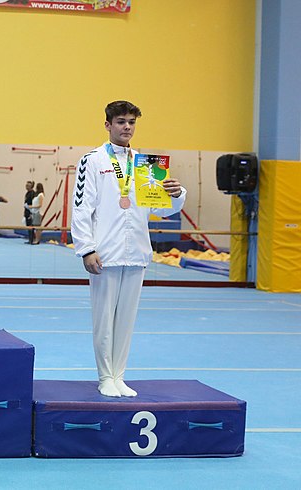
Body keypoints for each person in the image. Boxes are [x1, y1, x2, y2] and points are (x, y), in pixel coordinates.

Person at [71, 100, 186, 398]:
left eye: (131, 122)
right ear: (108, 124)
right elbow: (82, 209)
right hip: (104, 254)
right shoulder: (92, 161)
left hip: (136, 251)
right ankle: (104, 376)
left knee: (126, 320)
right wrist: (86, 249)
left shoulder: (147, 165)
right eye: (121, 121)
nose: (127, 127)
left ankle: (119, 375)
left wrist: (177, 194)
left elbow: (160, 211)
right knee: (104, 319)